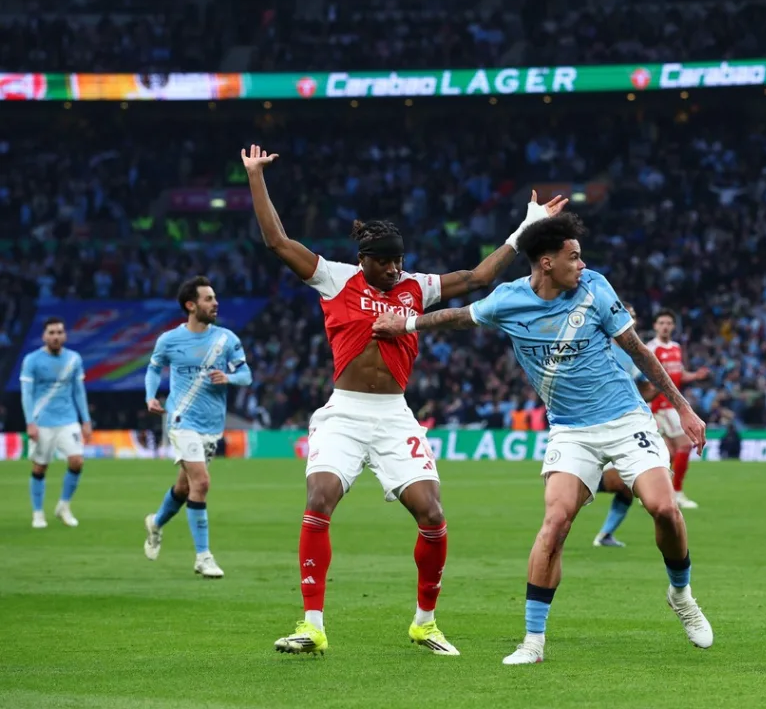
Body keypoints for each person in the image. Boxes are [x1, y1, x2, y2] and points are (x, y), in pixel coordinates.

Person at [241, 145, 566, 657]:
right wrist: (256, 176)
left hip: (394, 416)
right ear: (363, 260)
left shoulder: (416, 286)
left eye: (399, 260)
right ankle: (311, 625)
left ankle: (425, 623)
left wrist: (525, 227)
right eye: (385, 261)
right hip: (345, 413)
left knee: (432, 514)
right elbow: (277, 241)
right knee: (319, 499)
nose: (395, 268)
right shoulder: (334, 277)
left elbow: (478, 278)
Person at [371, 213, 714, 665]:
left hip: (626, 419)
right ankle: (533, 642)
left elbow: (638, 351)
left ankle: (681, 595)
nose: (582, 264)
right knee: (555, 522)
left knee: (664, 508)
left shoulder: (595, 288)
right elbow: (458, 317)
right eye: (574, 256)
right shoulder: (509, 300)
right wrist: (406, 325)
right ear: (547, 262)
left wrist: (684, 407)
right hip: (570, 430)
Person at [144, 276, 251, 578]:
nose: (215, 303)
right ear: (191, 305)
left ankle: (156, 523)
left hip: (211, 425)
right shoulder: (169, 340)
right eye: (208, 299)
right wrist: (150, 396)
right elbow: (153, 369)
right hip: (181, 420)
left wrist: (229, 377)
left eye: (215, 298)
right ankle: (203, 557)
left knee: (184, 487)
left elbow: (246, 375)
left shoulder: (226, 339)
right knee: (201, 483)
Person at [593, 301, 656, 548]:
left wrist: (661, 386)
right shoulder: (600, 346)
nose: (630, 320)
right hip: (597, 424)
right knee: (621, 483)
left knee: (628, 486)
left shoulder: (632, 354)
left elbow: (642, 389)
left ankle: (605, 535)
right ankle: (569, 484)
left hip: (624, 425)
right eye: (625, 314)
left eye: (633, 316)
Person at [19, 317, 91, 529]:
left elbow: (79, 391)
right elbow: (26, 394)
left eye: (59, 332)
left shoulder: (74, 359)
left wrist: (86, 420)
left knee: (77, 461)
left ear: (65, 335)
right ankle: (38, 513)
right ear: (44, 336)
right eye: (51, 333)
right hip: (42, 421)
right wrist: (30, 422)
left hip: (68, 419)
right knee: (40, 467)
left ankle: (63, 506)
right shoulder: (32, 360)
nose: (56, 336)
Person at [646, 310, 710, 509]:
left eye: (668, 323)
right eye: (661, 323)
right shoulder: (651, 348)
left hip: (672, 405)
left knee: (670, 453)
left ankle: (653, 493)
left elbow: (678, 374)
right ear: (655, 326)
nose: (665, 326)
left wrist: (695, 376)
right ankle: (677, 492)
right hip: (659, 406)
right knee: (684, 445)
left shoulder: (676, 347)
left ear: (673, 326)